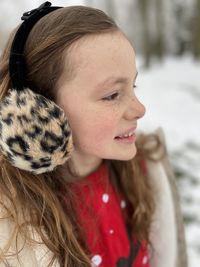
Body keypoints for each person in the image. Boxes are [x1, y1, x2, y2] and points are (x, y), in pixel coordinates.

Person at [0, 2, 187, 267]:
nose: (140, 109)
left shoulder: (148, 172)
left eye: (133, 85)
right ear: (39, 112)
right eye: (112, 95)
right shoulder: (11, 223)